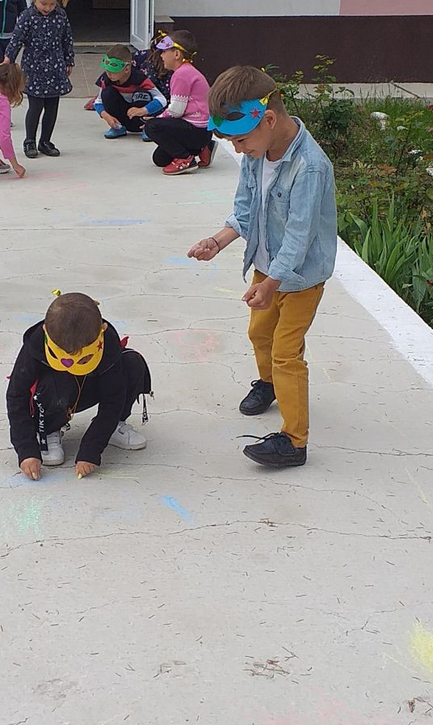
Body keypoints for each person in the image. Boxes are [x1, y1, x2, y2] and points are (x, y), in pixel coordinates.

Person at [188, 65, 337, 469]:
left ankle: (294, 442)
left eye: (241, 140)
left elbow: (300, 237)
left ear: (268, 119)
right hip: (267, 267)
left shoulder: (310, 167)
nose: (238, 151)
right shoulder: (258, 154)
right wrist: (217, 241)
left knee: (287, 352)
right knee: (259, 333)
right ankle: (269, 384)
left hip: (300, 278)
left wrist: (272, 283)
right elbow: (244, 209)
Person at [7, 291, 151, 479]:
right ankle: (49, 430)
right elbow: (17, 395)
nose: (75, 363)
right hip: (54, 394)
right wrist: (26, 449)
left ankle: (114, 426)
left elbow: (113, 399)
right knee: (58, 376)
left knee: (132, 363)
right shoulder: (36, 342)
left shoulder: (107, 340)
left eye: (83, 358)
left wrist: (91, 449)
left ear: (103, 329)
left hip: (93, 386)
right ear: (45, 330)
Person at [4, 0, 74, 159]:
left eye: (52, 3)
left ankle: (45, 141)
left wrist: (69, 59)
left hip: (55, 69)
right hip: (34, 69)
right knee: (35, 107)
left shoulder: (61, 16)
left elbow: (67, 39)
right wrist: (8, 58)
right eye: (43, 3)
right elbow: (16, 39)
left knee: (52, 107)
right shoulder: (27, 16)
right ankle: (30, 141)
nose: (48, 7)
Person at [145, 31, 213, 175]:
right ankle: (203, 147)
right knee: (160, 159)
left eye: (164, 52)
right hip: (202, 130)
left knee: (152, 127)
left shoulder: (181, 74)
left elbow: (176, 111)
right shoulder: (187, 71)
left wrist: (157, 119)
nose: (161, 56)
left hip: (196, 130)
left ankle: (185, 159)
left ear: (176, 54)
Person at [92, 44, 166, 138]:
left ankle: (146, 129)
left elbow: (161, 99)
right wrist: (106, 116)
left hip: (141, 117)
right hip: (122, 118)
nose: (109, 74)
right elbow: (98, 102)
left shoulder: (140, 79)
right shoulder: (106, 80)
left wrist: (142, 110)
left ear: (126, 69)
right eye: (107, 70)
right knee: (107, 93)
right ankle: (118, 128)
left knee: (142, 93)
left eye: (113, 71)